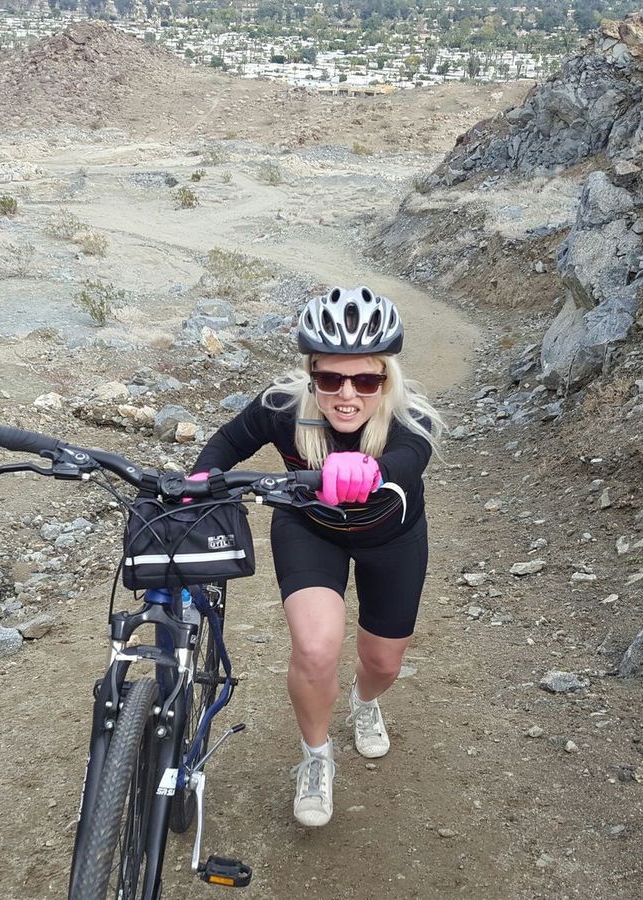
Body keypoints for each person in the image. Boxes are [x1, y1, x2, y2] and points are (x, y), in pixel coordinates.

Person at [190, 285, 444, 828]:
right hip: (310, 530)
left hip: (392, 539)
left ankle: (364, 702)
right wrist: (195, 486)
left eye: (366, 380)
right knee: (314, 647)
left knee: (383, 663)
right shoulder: (281, 408)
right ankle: (315, 756)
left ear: (387, 378)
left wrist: (373, 470)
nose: (347, 394)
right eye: (330, 379)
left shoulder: (410, 419)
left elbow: (408, 459)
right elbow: (226, 444)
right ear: (311, 375)